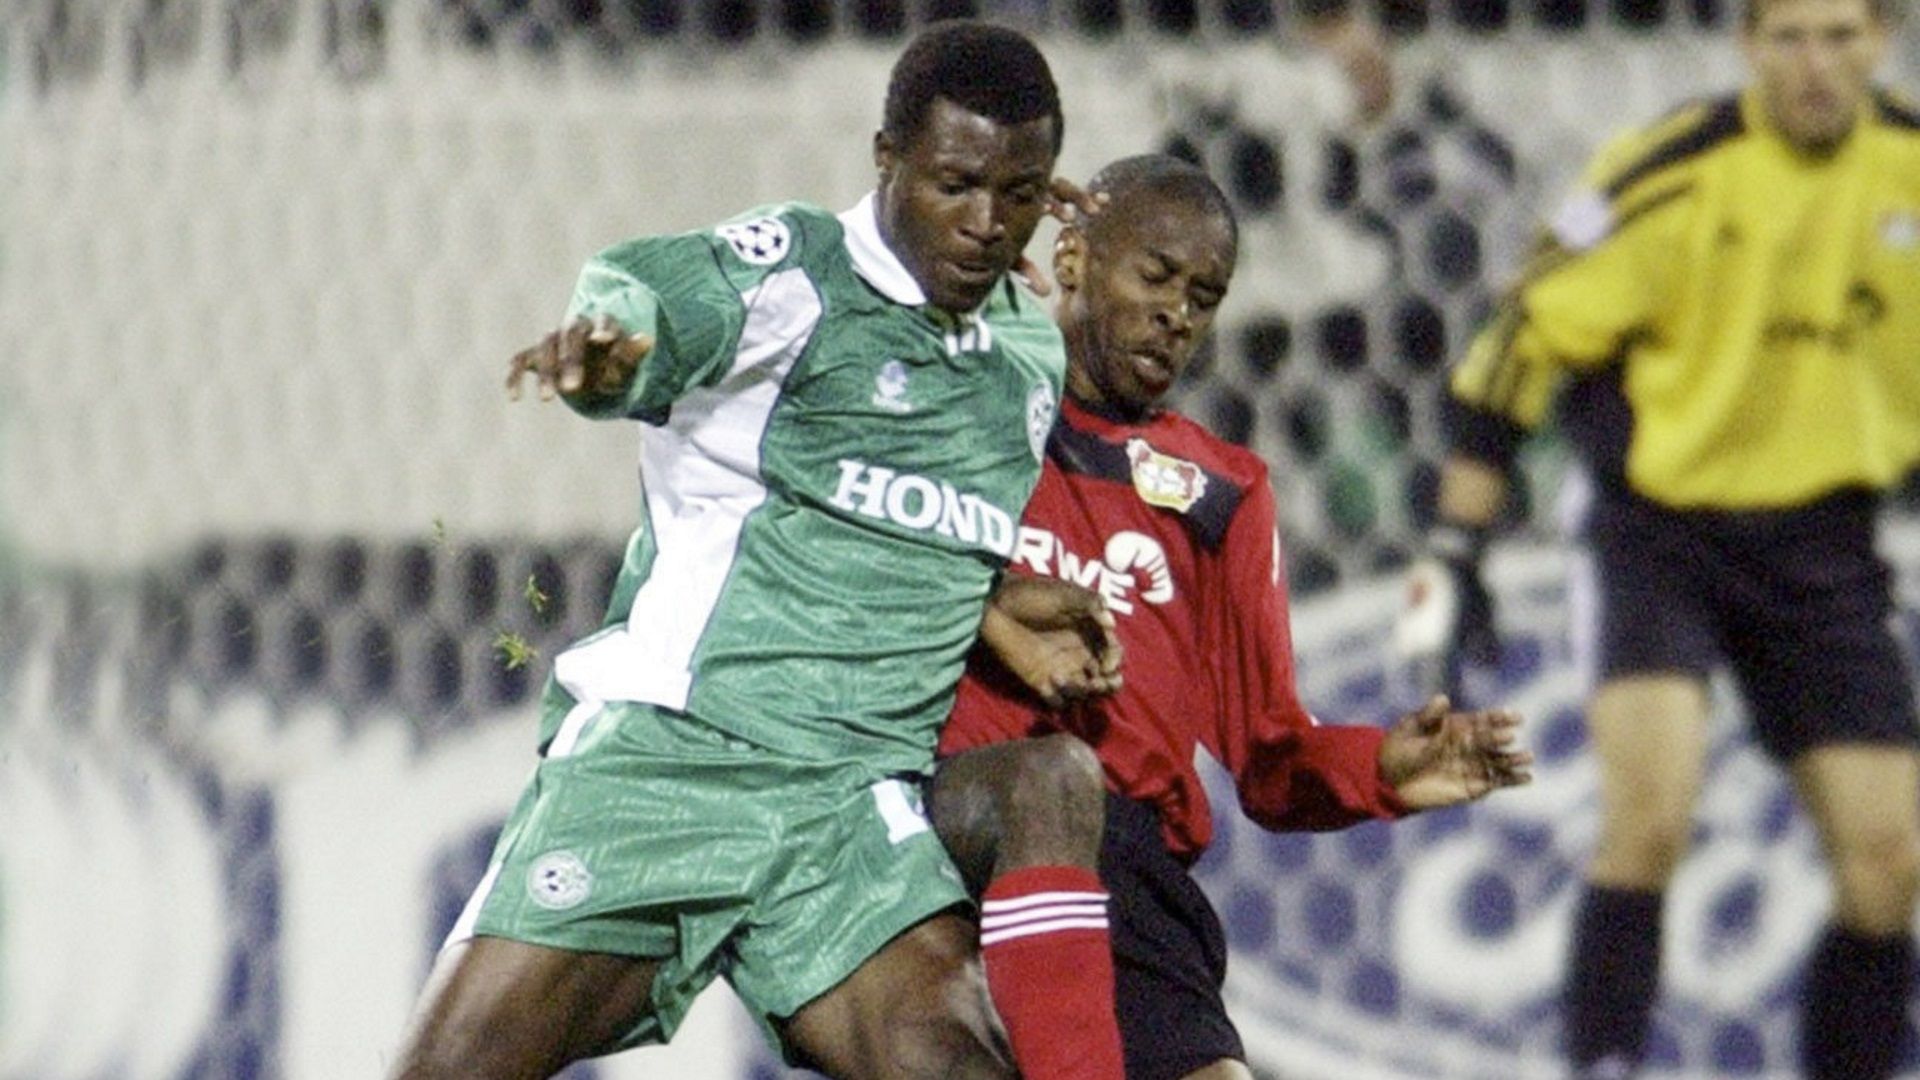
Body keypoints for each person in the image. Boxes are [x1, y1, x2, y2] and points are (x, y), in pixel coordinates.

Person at [387, 21, 1120, 1080]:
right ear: (886, 160)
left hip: (848, 809)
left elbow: (898, 526)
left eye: (1016, 195)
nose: (983, 224)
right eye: (954, 184)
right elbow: (649, 302)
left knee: (958, 1065)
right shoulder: (800, 274)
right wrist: (608, 351)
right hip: (677, 762)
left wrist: (998, 601)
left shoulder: (1024, 351)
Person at [1394, 0, 1920, 1075]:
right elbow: (1521, 335)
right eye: (1789, 37)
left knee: (1888, 864)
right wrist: (1457, 549)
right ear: (1745, 44)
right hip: (1658, 534)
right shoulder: (1674, 169)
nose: (1815, 65)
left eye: (1840, 36)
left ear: (1884, 38)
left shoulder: (1909, 169)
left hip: (1826, 544)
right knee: (1651, 813)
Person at [931, 153, 1536, 1080]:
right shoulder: (963, 407)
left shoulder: (1222, 492)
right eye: (1157, 275)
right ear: (1078, 257)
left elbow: (1270, 758)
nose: (1178, 313)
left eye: (1205, 294)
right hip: (953, 829)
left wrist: (1383, 767)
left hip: (1126, 873)